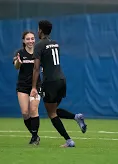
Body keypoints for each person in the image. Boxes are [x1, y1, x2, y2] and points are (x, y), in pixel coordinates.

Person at [30, 20, 87, 148]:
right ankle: (76, 117)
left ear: (40, 30)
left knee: (51, 113)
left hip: (50, 82)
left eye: (38, 29)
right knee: (54, 109)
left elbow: (36, 68)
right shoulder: (55, 43)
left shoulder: (39, 45)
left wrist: (34, 87)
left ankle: (69, 141)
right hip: (61, 80)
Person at [13, 31, 41, 145]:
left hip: (36, 86)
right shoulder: (20, 52)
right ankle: (35, 135)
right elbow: (16, 66)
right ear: (24, 41)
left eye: (32, 38)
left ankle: (34, 137)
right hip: (23, 86)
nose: (31, 41)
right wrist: (18, 63)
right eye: (28, 39)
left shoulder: (39, 52)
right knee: (25, 113)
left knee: (33, 110)